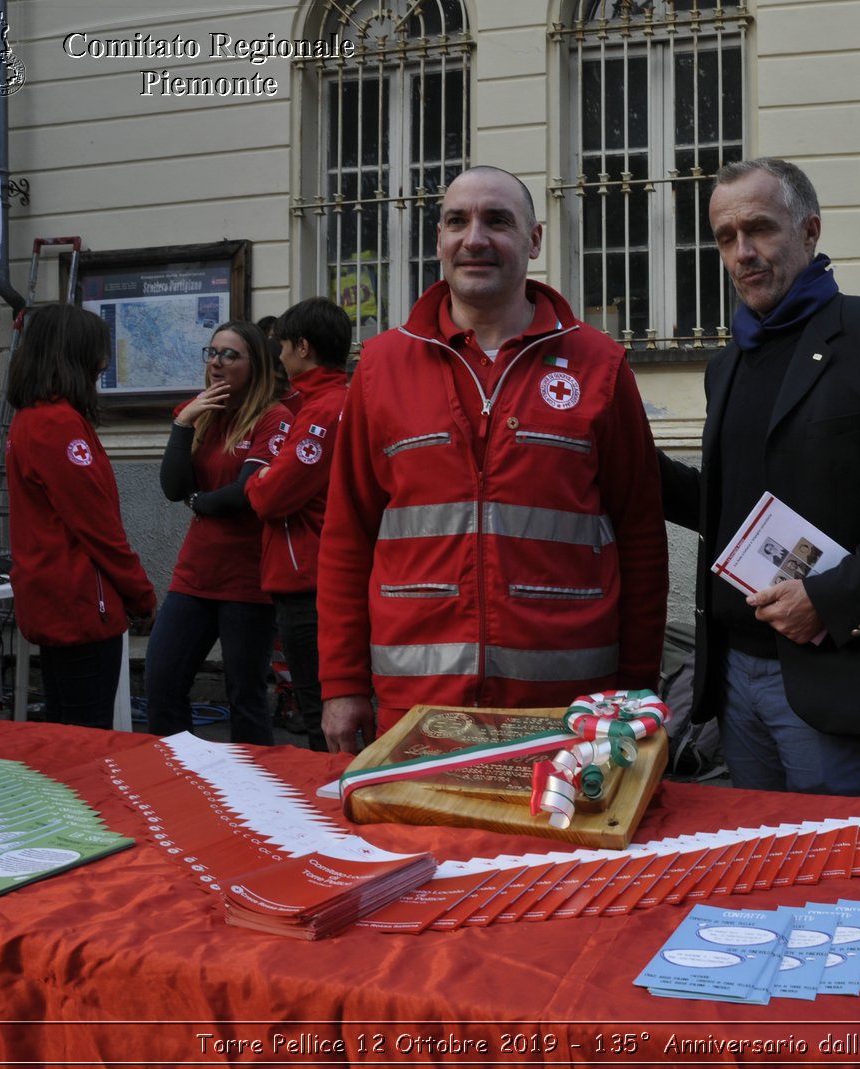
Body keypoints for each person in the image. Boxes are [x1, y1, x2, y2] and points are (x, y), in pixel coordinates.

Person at [318, 165, 668, 753]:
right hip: (418, 705)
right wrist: (342, 683)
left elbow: (638, 537)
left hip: (569, 711)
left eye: (497, 221)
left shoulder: (599, 365)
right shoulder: (381, 367)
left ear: (533, 240)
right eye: (457, 221)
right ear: (438, 240)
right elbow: (347, 536)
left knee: (557, 849)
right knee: (419, 848)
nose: (474, 238)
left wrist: (634, 690)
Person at [659, 157, 860, 798]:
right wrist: (633, 460)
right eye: (725, 237)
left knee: (834, 879)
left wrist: (827, 602)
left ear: (810, 231)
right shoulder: (729, 365)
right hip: (735, 675)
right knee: (762, 876)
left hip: (837, 675)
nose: (742, 252)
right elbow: (728, 510)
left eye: (760, 229)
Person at [4, 304, 156, 728]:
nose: (103, 362)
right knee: (86, 735)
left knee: (65, 729)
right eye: (97, 352)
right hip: (80, 606)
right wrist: (142, 594)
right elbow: (98, 527)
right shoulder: (58, 424)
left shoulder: (31, 418)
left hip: (54, 600)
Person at [145, 320, 292, 744]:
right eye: (211, 352)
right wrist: (183, 426)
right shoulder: (199, 412)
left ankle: (254, 796)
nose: (216, 362)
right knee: (162, 682)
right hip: (195, 574)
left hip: (248, 580)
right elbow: (173, 488)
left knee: (244, 695)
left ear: (256, 364)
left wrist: (200, 501)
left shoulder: (274, 418)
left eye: (230, 354)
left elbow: (244, 493)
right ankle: (178, 779)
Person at [244, 298, 352, 751]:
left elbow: (270, 495)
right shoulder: (336, 400)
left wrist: (258, 478)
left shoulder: (321, 410)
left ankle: (329, 816)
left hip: (307, 578)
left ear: (303, 348)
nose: (280, 358)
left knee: (320, 716)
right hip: (320, 574)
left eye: (283, 347)